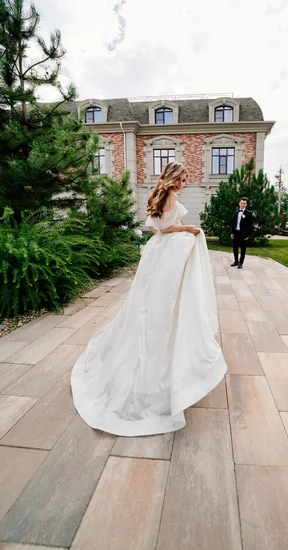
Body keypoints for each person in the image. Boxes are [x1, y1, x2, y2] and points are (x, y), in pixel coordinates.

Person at [71, 162, 227, 437]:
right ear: (172, 178)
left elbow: (155, 229)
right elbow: (166, 229)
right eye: (180, 178)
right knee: (161, 303)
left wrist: (177, 232)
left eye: (184, 179)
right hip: (164, 251)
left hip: (157, 252)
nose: (182, 183)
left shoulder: (158, 194)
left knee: (151, 301)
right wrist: (187, 229)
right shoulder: (170, 196)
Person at [230, 197, 253, 269]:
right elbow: (233, 223)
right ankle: (236, 261)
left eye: (244, 203)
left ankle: (241, 263)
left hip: (243, 234)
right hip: (236, 232)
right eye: (241, 203)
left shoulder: (248, 213)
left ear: (246, 205)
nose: (242, 204)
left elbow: (250, 225)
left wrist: (247, 235)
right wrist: (232, 233)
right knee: (235, 248)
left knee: (243, 249)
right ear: (239, 203)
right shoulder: (236, 212)